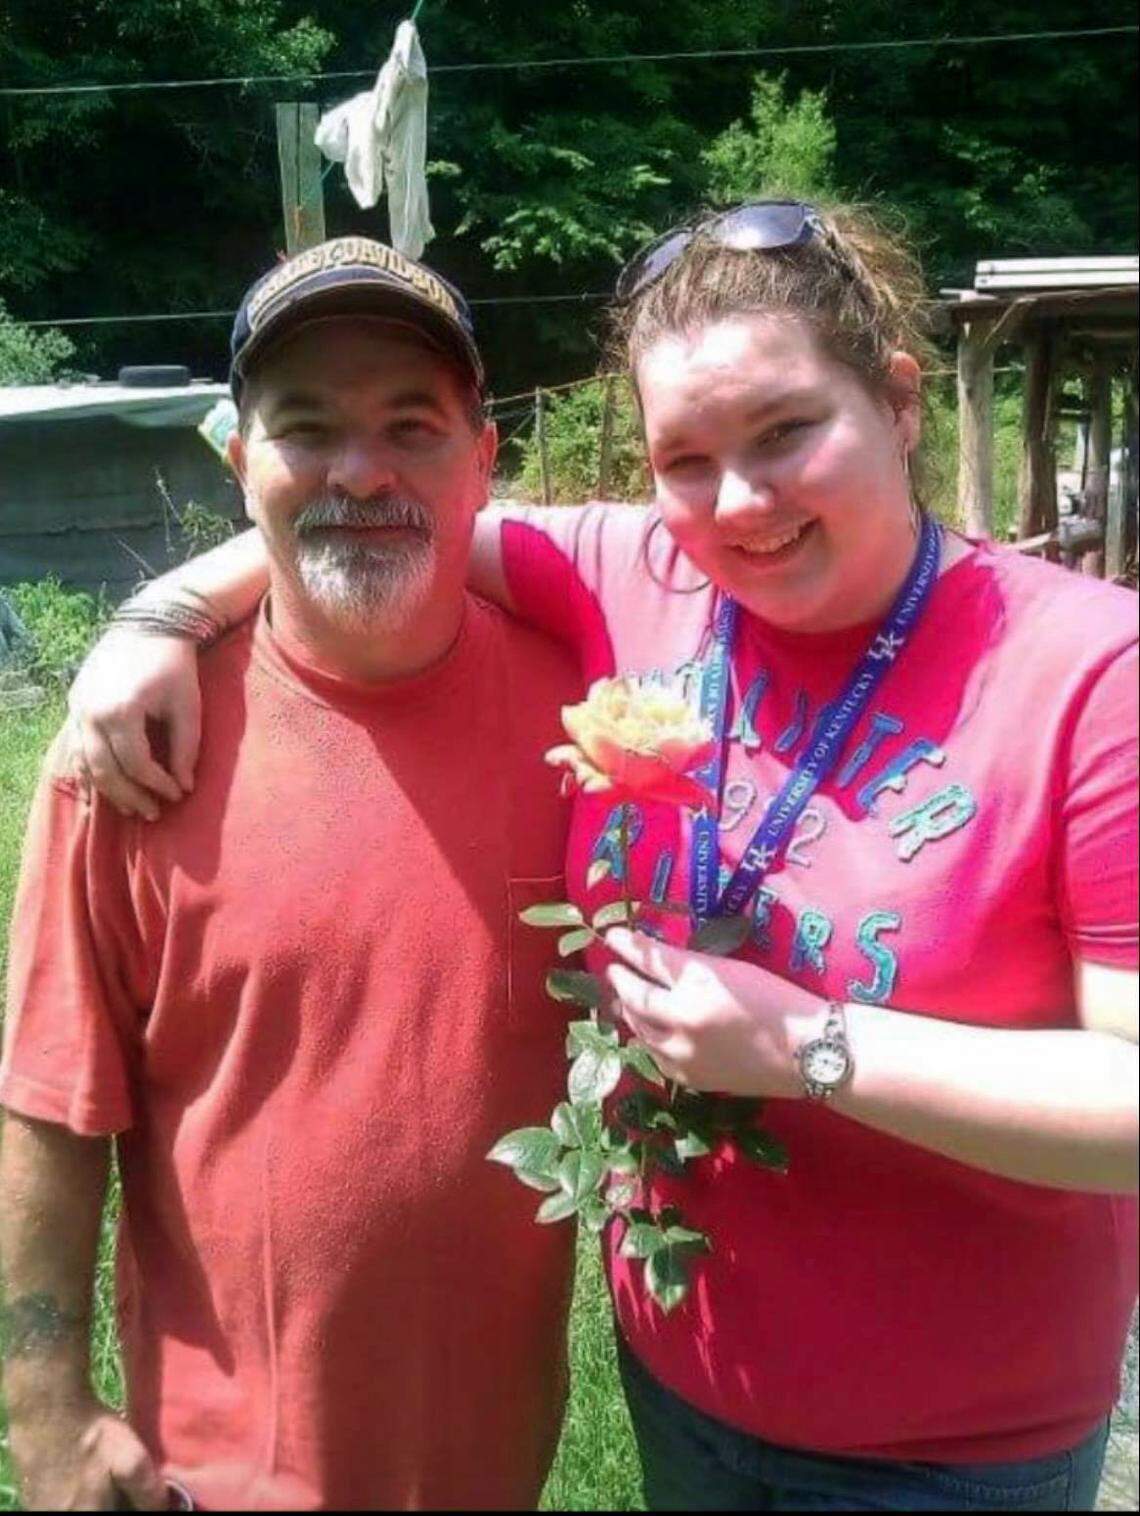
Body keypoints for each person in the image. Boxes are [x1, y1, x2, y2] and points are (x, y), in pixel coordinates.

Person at [62, 202, 1138, 1512]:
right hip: (685, 1390)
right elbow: (371, 506)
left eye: (787, 431)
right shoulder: (642, 573)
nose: (740, 502)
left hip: (957, 1440)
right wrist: (156, 615)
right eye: (686, 458)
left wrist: (807, 1044)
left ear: (901, 403)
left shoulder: (1091, 673)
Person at [0, 236, 581, 1511]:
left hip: (495, 1461)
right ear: (238, 461)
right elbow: (50, 1099)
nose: (360, 471)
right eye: (306, 428)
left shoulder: (592, 721)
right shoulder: (131, 757)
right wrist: (44, 1409)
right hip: (219, 1475)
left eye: (412, 426)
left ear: (485, 457)